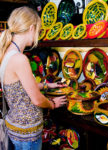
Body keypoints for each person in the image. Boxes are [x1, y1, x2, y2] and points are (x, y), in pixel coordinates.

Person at [0, 6, 67, 150]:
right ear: (32, 28)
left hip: (16, 127)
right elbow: (36, 99)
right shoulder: (20, 58)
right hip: (27, 133)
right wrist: (52, 103)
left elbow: (20, 88)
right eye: (38, 30)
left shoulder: (7, 53)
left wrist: (48, 85)